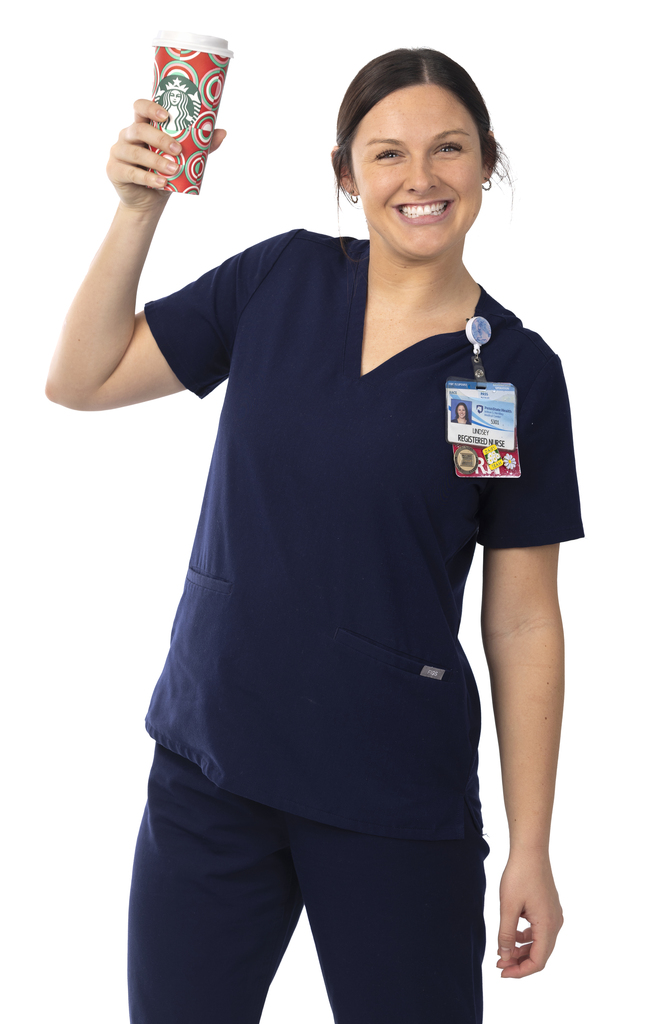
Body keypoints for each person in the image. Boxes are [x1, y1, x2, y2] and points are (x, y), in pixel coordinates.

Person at [45, 47, 584, 1024]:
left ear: (484, 163)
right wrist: (139, 209)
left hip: (391, 797)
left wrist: (530, 845)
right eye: (385, 155)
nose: (417, 179)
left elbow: (520, 624)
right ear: (346, 175)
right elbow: (80, 379)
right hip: (213, 770)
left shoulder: (509, 378)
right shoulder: (278, 281)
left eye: (446, 149)